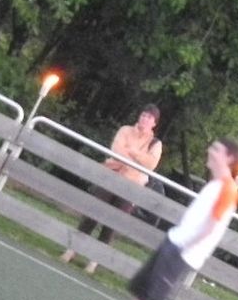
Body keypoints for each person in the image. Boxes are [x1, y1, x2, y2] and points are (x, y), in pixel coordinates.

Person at [88, 138, 238, 300]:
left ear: (228, 158)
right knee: (141, 299)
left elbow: (211, 227)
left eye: (216, 149)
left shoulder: (226, 189)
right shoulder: (215, 185)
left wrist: (184, 246)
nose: (210, 151)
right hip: (174, 244)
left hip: (181, 252)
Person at [60, 105, 163, 275]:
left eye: (149, 118)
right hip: (111, 177)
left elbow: (150, 164)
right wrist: (135, 159)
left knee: (112, 224)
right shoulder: (125, 130)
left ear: (154, 123)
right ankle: (72, 250)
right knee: (92, 214)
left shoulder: (155, 144)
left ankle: (94, 261)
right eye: (143, 115)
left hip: (132, 186)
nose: (145, 119)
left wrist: (132, 152)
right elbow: (117, 151)